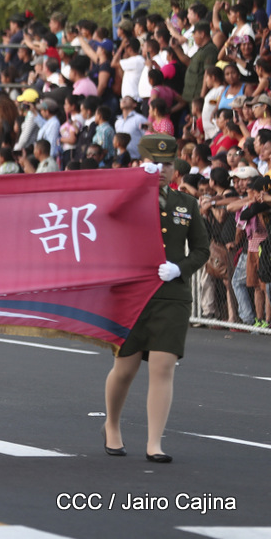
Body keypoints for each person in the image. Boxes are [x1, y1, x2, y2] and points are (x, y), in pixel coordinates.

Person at [102, 134, 208, 464]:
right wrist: (134, 187)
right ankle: (112, 424)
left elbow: (202, 249)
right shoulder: (126, 200)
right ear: (141, 164)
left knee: (163, 367)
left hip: (171, 295)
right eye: (154, 164)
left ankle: (154, 443)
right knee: (126, 367)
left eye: (167, 164)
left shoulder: (187, 204)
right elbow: (107, 220)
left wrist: (180, 268)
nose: (161, 170)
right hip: (132, 293)